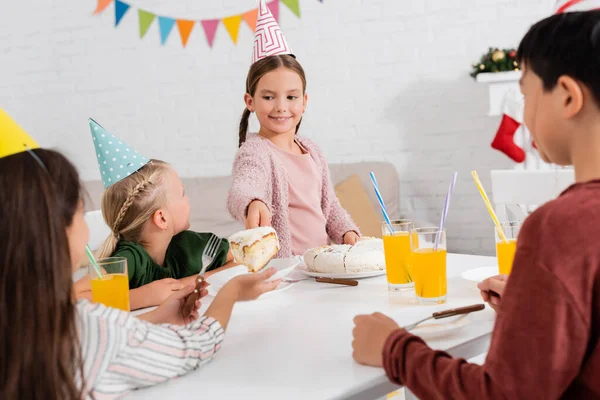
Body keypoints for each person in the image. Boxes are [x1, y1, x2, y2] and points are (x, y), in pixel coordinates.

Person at [352, 11, 600, 398]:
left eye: (525, 95)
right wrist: (535, 305)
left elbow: (502, 394)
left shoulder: (561, 225)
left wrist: (394, 349)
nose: (522, 115)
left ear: (567, 96)